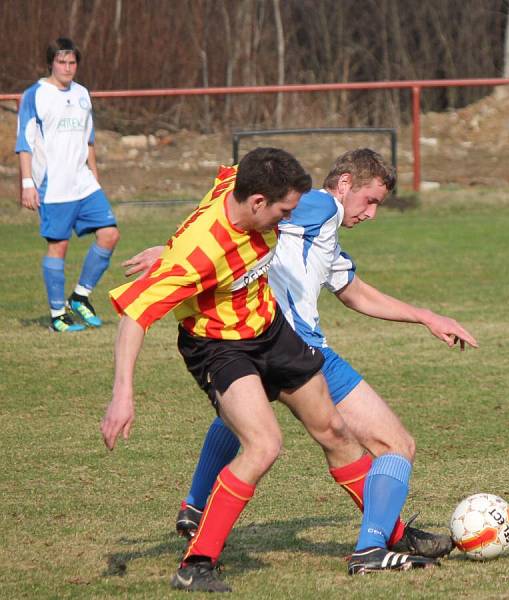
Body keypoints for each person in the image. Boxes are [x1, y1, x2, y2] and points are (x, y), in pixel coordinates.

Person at [101, 148, 439, 593]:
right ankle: (196, 563)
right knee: (263, 445)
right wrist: (123, 394)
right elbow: (135, 316)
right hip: (221, 346)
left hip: (271, 329)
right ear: (260, 204)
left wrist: (166, 245)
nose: (291, 218)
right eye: (286, 211)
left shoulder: (242, 189)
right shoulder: (199, 257)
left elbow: (233, 185)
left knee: (335, 431)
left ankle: (380, 545)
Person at [16, 37, 119, 332]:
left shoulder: (83, 94)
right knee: (58, 246)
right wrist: (27, 184)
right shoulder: (35, 95)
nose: (67, 67)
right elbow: (24, 143)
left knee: (110, 235)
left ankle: (80, 297)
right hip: (54, 186)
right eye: (62, 62)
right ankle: (57, 315)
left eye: (72, 62)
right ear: (51, 63)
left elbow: (89, 141)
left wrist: (94, 175)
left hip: (84, 183)